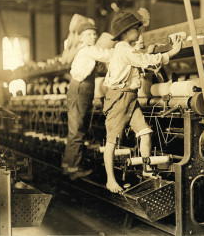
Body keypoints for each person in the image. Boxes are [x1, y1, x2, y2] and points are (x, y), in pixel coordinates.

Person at [103, 12, 182, 193]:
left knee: (145, 132)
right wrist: (172, 52)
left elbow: (142, 60)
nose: (139, 30)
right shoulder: (124, 49)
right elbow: (145, 61)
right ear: (124, 33)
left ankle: (146, 169)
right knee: (112, 141)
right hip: (119, 98)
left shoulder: (126, 49)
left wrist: (150, 52)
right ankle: (110, 180)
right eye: (135, 28)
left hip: (130, 97)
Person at [62, 22, 114, 180]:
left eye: (94, 34)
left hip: (79, 88)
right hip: (81, 89)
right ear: (81, 37)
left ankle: (68, 165)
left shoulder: (83, 50)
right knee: (77, 129)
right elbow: (108, 55)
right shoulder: (88, 49)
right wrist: (124, 49)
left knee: (75, 129)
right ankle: (74, 169)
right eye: (89, 34)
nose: (94, 36)